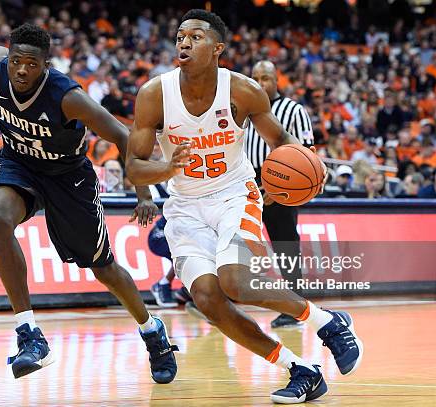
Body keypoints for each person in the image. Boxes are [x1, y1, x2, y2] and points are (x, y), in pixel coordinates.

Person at [0, 24, 178, 383]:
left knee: (104, 269)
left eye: (32, 64)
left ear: (46, 65)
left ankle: (153, 332)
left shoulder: (67, 96)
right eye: (16, 61)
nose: (22, 70)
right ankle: (29, 334)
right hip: (18, 163)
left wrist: (144, 192)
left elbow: (122, 136)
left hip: (67, 178)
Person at [126, 10, 363, 404]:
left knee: (235, 282)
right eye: (181, 36)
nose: (184, 42)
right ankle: (299, 368)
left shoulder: (243, 90)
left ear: (218, 48)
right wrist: (165, 168)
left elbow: (283, 141)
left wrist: (286, 182)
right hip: (184, 207)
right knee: (208, 300)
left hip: (234, 196)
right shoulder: (155, 94)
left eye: (196, 36)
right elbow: (134, 166)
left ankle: (327, 322)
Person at [246, 60, 314, 328]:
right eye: (255, 77)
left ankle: (296, 306)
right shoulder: (245, 109)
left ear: (277, 81)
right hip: (248, 186)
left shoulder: (294, 110)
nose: (260, 83)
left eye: (265, 78)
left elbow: (307, 153)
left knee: (286, 247)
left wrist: (279, 189)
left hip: (281, 187)